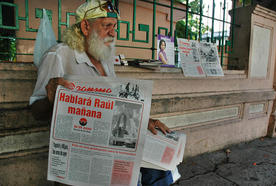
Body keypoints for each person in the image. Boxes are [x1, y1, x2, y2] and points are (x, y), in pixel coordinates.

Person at [30, 0, 174, 185]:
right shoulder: (58, 56)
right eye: (107, 26)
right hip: (82, 156)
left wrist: (144, 121)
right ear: (85, 26)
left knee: (162, 167)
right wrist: (51, 97)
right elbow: (35, 111)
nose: (113, 32)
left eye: (115, 26)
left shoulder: (105, 59)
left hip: (112, 147)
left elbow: (113, 105)